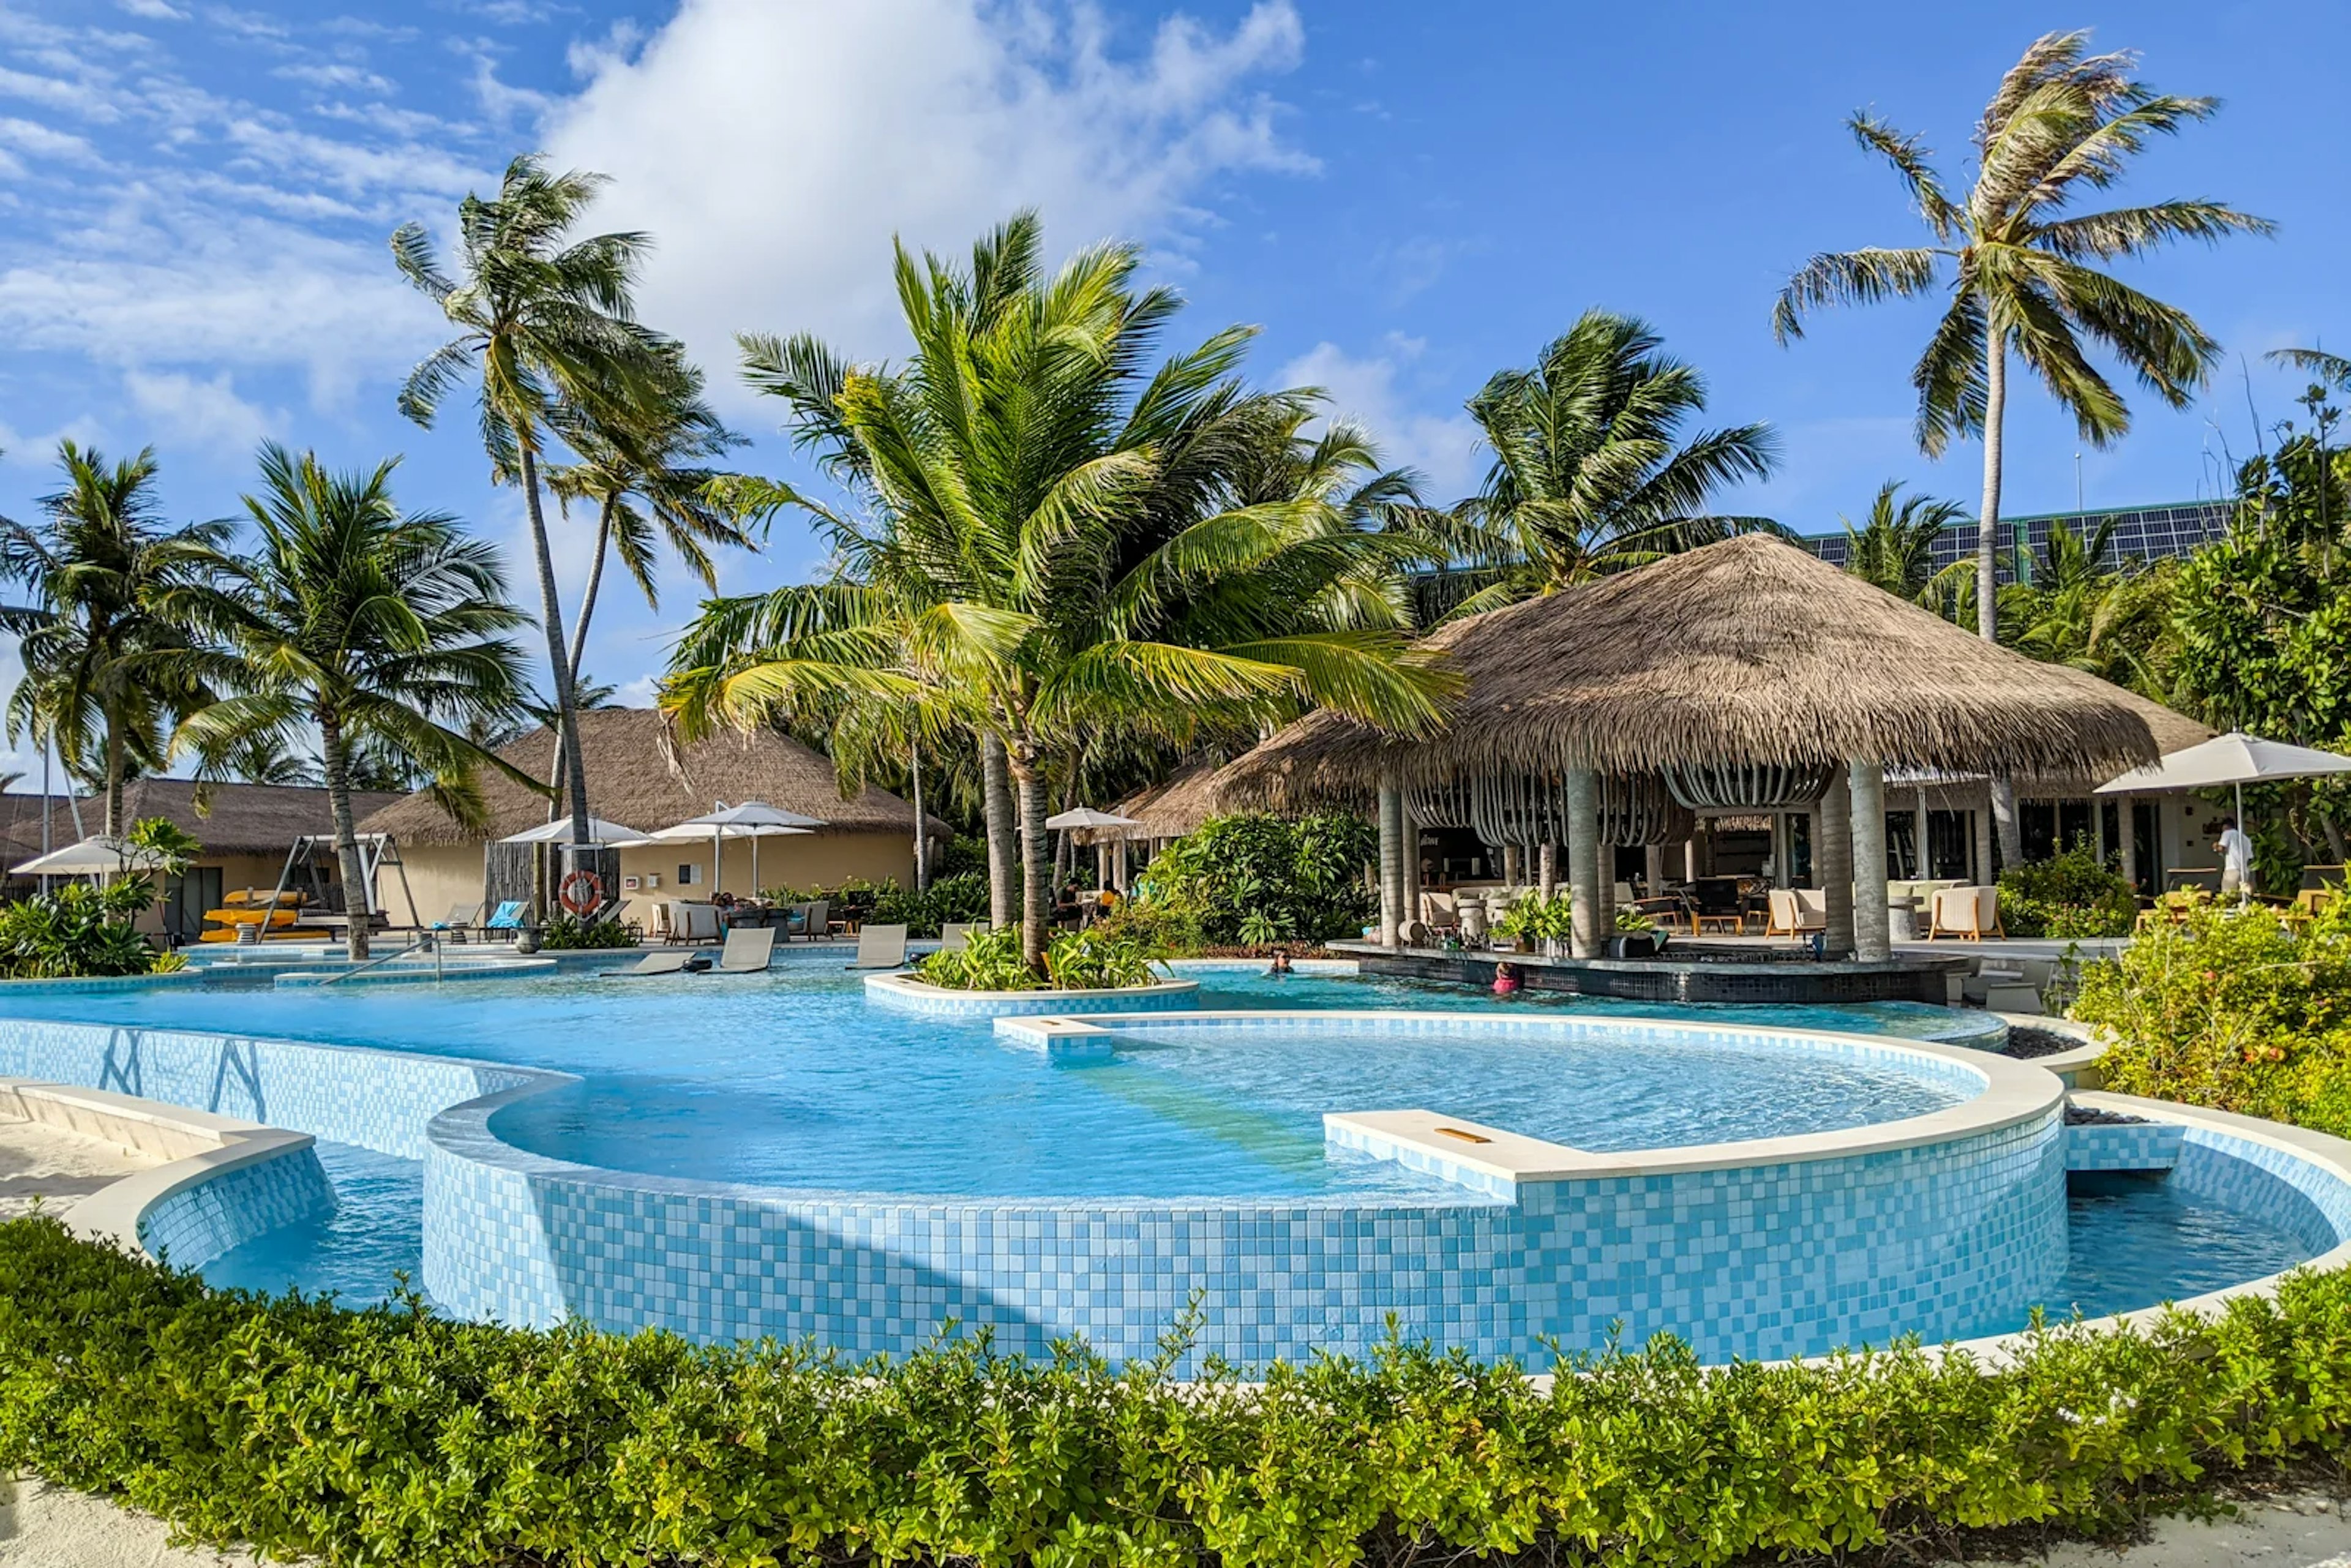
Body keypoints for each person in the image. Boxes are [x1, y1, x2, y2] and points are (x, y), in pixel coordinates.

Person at [2219, 816, 2254, 899]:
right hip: (2245, 872)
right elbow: (2250, 857)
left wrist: (2215, 847)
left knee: (2228, 897)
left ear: (2225, 826)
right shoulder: (2246, 838)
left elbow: (2221, 848)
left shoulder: (2227, 833)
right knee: (2242, 897)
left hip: (2232, 869)